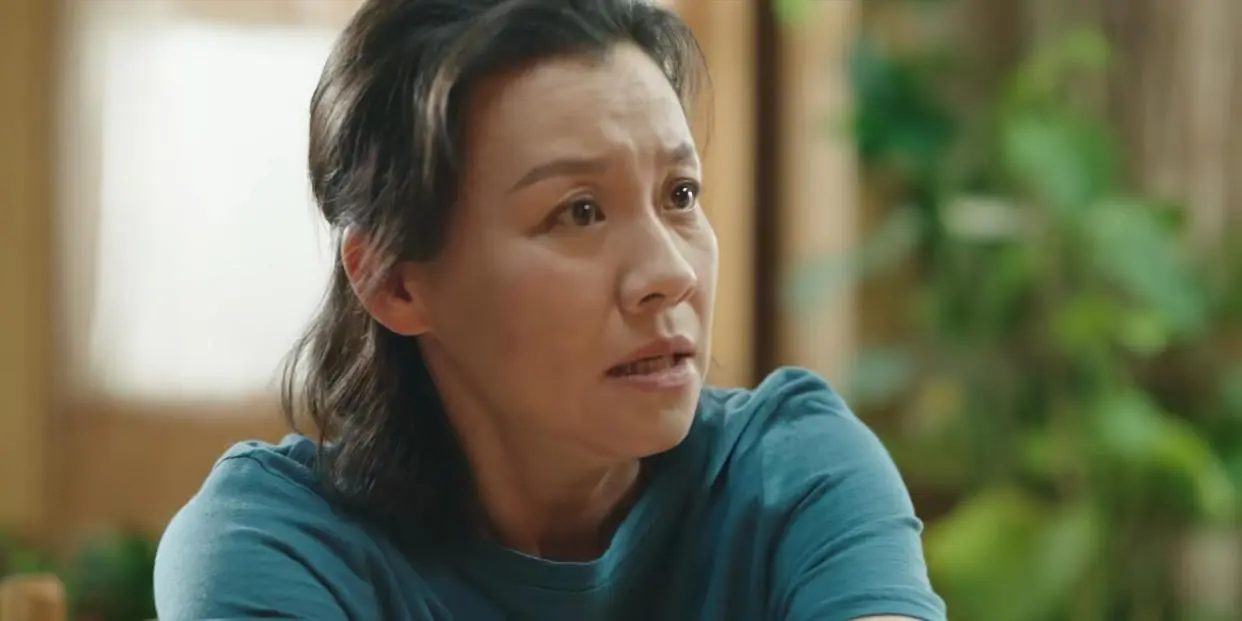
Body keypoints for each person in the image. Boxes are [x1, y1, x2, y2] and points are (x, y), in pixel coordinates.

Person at [153, 0, 947, 619]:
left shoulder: (789, 478)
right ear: (395, 282)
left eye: (679, 195)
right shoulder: (279, 547)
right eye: (579, 211)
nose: (670, 274)